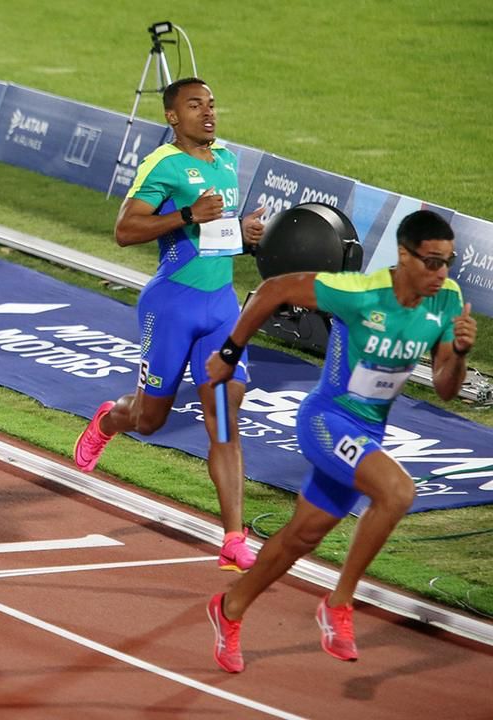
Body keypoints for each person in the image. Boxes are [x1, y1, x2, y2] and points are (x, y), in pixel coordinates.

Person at [203, 210, 475, 672]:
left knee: (301, 536)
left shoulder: (446, 301)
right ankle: (339, 603)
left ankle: (228, 609)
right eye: (431, 262)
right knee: (397, 492)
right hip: (327, 420)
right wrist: (230, 354)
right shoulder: (358, 293)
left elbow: (447, 386)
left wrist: (462, 355)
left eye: (447, 262)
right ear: (403, 256)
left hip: (367, 431)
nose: (441, 273)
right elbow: (273, 290)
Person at [72, 78, 266, 571]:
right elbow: (124, 231)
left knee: (223, 420)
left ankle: (232, 538)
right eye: (195, 105)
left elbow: (215, 237)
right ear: (173, 117)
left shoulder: (226, 158)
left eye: (212, 104)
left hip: (221, 308)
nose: (208, 113)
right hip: (171, 306)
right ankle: (110, 419)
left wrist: (245, 236)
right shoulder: (161, 164)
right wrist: (185, 213)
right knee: (150, 420)